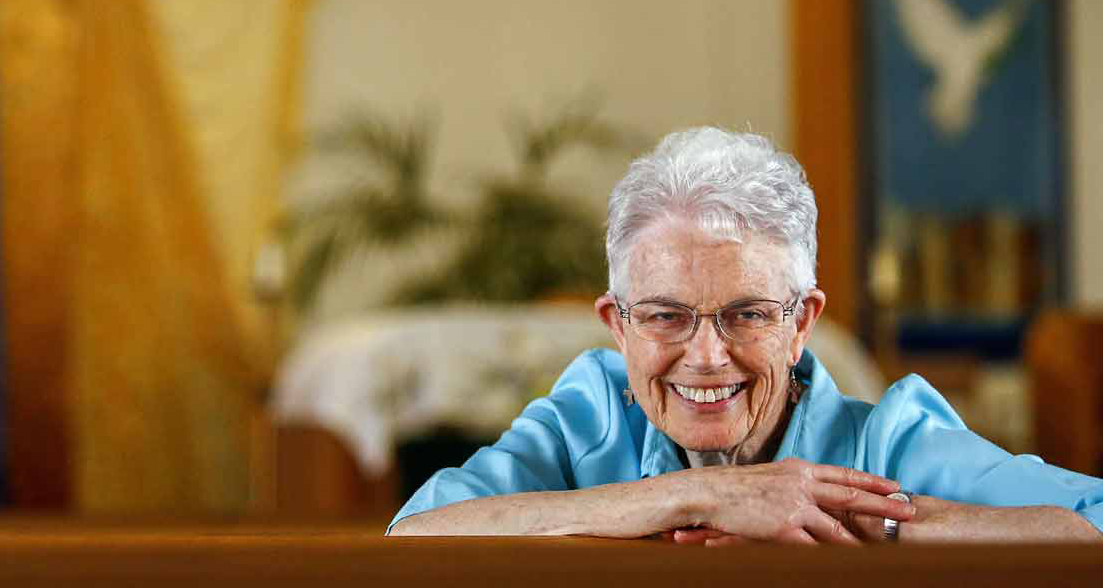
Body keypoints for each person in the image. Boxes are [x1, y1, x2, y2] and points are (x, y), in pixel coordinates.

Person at [387, 127, 1103, 542]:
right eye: (666, 316)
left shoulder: (890, 440)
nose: (705, 356)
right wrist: (693, 499)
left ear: (802, 324)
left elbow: (1093, 521)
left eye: (747, 314)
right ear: (618, 325)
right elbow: (415, 534)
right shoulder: (590, 414)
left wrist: (857, 525)